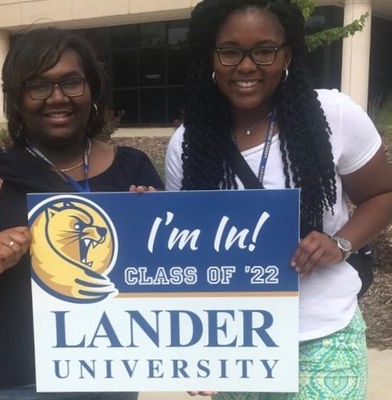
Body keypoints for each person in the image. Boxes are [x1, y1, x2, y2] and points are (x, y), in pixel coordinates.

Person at [165, 0, 392, 399]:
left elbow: (383, 194)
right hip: (236, 347)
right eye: (230, 51)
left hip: (322, 337)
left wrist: (341, 243)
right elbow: (187, 259)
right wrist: (194, 349)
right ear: (211, 57)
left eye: (264, 51)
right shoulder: (188, 144)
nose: (246, 66)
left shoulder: (333, 115)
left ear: (286, 55)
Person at [0, 27, 163, 399]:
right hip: (23, 384)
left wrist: (155, 227)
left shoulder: (133, 167)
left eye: (71, 82)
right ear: (18, 98)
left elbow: (169, 273)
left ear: (92, 90)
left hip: (116, 372)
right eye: (38, 85)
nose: (58, 97)